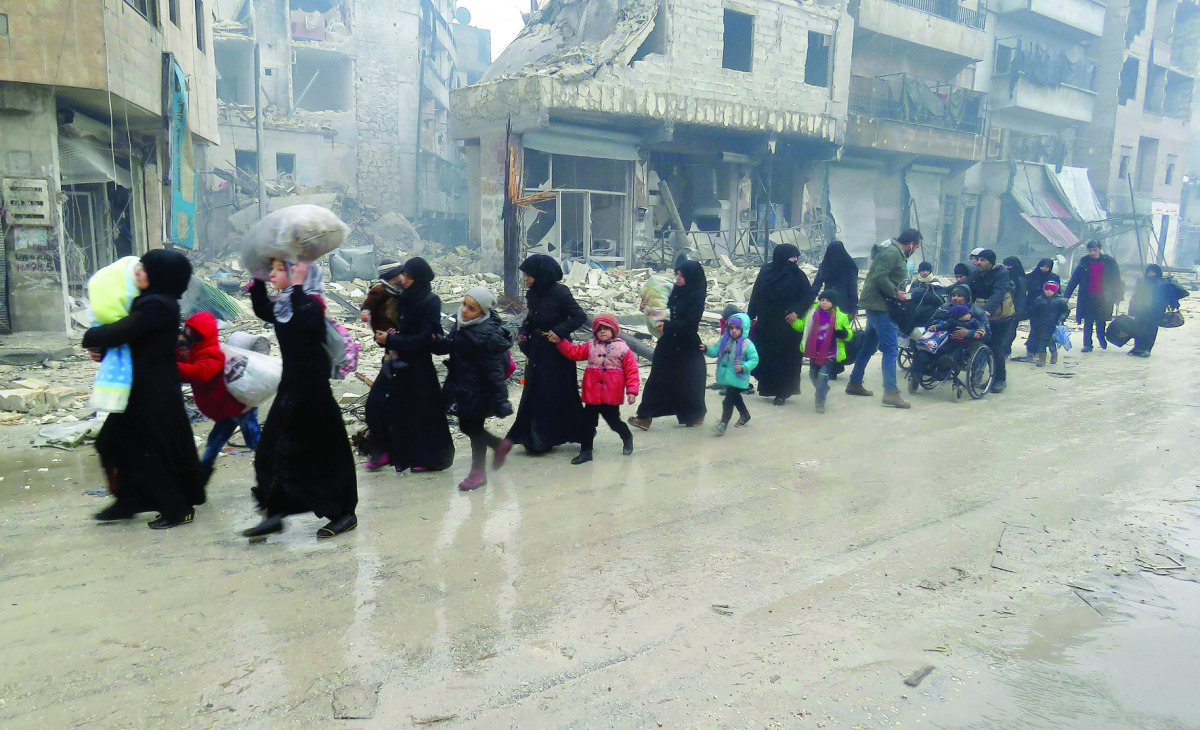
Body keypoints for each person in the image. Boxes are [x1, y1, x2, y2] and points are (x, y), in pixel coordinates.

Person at [85, 249, 204, 529]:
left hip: (153, 391)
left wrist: (92, 336)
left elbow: (119, 332)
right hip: (139, 388)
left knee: (148, 452)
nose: (138, 272)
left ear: (161, 276)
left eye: (146, 269)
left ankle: (178, 508)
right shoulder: (148, 302)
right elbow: (130, 341)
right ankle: (129, 500)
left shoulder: (159, 305)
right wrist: (101, 348)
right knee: (110, 443)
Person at [244, 260, 358, 540]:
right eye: (270, 268)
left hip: (314, 393)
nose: (273, 274)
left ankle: (344, 513)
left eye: (279, 269)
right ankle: (275, 513)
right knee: (271, 452)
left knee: (327, 455)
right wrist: (257, 281)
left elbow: (307, 322)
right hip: (290, 390)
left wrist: (297, 285)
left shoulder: (311, 304)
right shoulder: (284, 305)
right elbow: (263, 310)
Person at [367, 257, 455, 473]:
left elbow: (426, 339)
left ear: (419, 278)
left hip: (417, 368)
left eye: (408, 276)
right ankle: (385, 451)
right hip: (395, 363)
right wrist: (388, 336)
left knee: (422, 414)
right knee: (377, 405)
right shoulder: (404, 298)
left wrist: (392, 340)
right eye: (403, 275)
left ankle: (431, 458)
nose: (403, 280)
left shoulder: (429, 301)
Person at [432, 286, 514, 490]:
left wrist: (502, 401)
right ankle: (498, 445)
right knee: (467, 426)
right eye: (464, 304)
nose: (465, 310)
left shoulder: (484, 337)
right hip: (462, 386)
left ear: (483, 313)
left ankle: (478, 474)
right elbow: (449, 346)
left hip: (479, 390)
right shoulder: (462, 324)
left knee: (473, 429)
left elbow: (494, 371)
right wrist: (434, 341)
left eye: (472, 308)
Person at [508, 254, 587, 453]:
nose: (525, 279)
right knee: (535, 393)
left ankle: (551, 436)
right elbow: (532, 317)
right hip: (537, 352)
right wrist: (524, 331)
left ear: (541, 275)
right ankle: (535, 438)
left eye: (529, 275)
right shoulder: (534, 293)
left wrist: (559, 331)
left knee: (554, 395)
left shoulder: (561, 293)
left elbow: (579, 316)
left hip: (558, 355)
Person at [177, 311, 261, 487]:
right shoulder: (195, 352)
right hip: (227, 408)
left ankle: (277, 472)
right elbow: (186, 369)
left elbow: (200, 373)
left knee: (254, 442)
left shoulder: (213, 353)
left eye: (190, 332)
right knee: (214, 441)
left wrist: (171, 365)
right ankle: (200, 479)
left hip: (242, 407)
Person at [845, 228, 922, 409]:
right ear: (911, 244)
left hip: (877, 305)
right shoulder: (892, 253)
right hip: (881, 307)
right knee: (890, 349)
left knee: (869, 346)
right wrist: (897, 293)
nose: (916, 250)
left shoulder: (893, 252)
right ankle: (890, 392)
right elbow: (879, 277)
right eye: (917, 247)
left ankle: (854, 383)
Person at [629, 260, 709, 430]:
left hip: (686, 345)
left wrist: (668, 326)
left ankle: (695, 415)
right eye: (677, 274)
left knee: (690, 381)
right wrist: (646, 307)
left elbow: (691, 324)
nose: (678, 278)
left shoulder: (697, 296)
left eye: (682, 275)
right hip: (668, 342)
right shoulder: (676, 290)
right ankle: (645, 417)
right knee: (657, 378)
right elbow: (664, 309)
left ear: (691, 277)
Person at [555, 313, 638, 464]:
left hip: (611, 396)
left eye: (606, 328)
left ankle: (626, 436)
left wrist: (632, 391)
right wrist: (560, 342)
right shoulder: (590, 345)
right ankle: (586, 452)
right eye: (599, 329)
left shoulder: (622, 348)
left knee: (614, 422)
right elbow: (574, 352)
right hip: (592, 395)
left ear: (614, 330)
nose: (602, 332)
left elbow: (632, 371)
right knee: (587, 424)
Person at [748, 243, 813, 405]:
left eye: (796, 257)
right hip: (767, 322)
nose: (795, 260)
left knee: (785, 358)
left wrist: (797, 312)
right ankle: (768, 388)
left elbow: (808, 296)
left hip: (787, 325)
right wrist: (751, 315)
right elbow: (756, 293)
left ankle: (783, 392)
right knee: (767, 355)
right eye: (792, 257)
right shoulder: (766, 271)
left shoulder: (798, 275)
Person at [792, 290, 853, 414]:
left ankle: (820, 401)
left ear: (834, 303)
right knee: (813, 375)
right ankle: (824, 388)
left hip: (829, 354)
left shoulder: (840, 317)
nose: (824, 303)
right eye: (822, 300)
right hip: (814, 352)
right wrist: (793, 321)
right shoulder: (812, 313)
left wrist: (844, 334)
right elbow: (803, 326)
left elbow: (849, 332)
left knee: (822, 377)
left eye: (828, 301)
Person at [810, 240, 859, 379]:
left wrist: (811, 298)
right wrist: (854, 307)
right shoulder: (849, 265)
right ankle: (834, 367)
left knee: (826, 334)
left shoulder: (826, 265)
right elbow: (852, 288)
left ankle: (825, 365)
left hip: (827, 304)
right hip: (843, 306)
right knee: (838, 337)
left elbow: (817, 283)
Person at [968, 249, 1015, 393]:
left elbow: (998, 293)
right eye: (978, 260)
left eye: (983, 260)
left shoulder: (1001, 274)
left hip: (1000, 317)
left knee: (995, 347)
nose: (979, 263)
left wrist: (987, 310)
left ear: (991, 262)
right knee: (976, 344)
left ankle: (1000, 379)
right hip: (981, 313)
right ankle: (976, 376)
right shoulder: (975, 274)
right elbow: (969, 291)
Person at [1063, 241, 1123, 352]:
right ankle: (1087, 344)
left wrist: (1118, 296)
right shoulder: (1084, 262)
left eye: (1095, 250)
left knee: (1101, 320)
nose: (1092, 253)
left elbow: (1117, 280)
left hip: (1104, 297)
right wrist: (1067, 295)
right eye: (1090, 250)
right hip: (1087, 297)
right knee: (1088, 321)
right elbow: (1075, 279)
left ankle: (1101, 337)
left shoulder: (1109, 262)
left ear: (1100, 249)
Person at [705, 312, 759, 436]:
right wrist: (706, 349)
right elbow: (715, 351)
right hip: (727, 376)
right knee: (735, 397)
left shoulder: (747, 344)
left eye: (737, 328)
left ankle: (723, 424)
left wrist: (744, 367)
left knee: (728, 400)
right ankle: (745, 415)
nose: (734, 331)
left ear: (743, 329)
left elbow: (754, 359)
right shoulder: (725, 340)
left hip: (739, 377)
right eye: (731, 328)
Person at [1129, 264, 1183, 357]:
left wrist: (1172, 281)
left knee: (1151, 330)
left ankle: (1146, 349)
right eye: (1149, 272)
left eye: (1153, 272)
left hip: (1156, 310)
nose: (1151, 274)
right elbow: (1135, 296)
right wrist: (1132, 308)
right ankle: (1137, 348)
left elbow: (1174, 293)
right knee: (1138, 329)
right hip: (1141, 309)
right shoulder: (1141, 282)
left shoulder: (1163, 283)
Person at [1026, 282, 1069, 366]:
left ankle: (1054, 354)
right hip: (1040, 325)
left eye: (1051, 290)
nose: (1048, 291)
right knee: (1041, 343)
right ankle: (1042, 360)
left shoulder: (1060, 301)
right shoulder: (1039, 300)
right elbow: (1034, 311)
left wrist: (1061, 318)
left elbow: (1065, 311)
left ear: (1055, 291)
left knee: (1051, 342)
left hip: (1053, 325)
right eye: (1047, 290)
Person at [1002, 256, 1028, 357]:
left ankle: (1006, 350)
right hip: (1001, 307)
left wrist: (1018, 311)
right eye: (1005, 266)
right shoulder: (1002, 277)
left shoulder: (1021, 280)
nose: (1006, 268)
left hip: (1014, 308)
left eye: (1009, 266)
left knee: (1010, 330)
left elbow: (1021, 296)